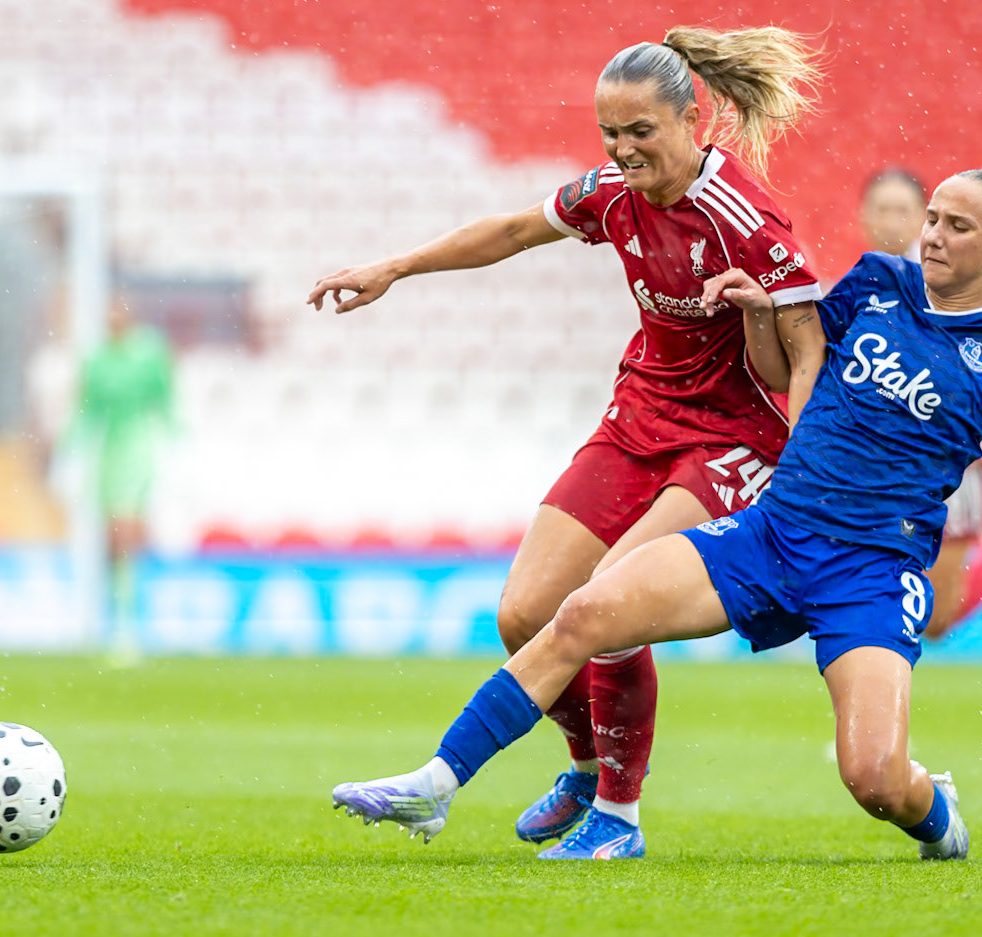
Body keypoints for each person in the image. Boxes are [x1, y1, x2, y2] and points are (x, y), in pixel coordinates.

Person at [329, 169, 982, 860]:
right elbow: (788, 363)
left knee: (871, 777)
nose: (934, 235)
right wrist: (762, 311)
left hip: (871, 570)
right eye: (932, 218)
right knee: (586, 610)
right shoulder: (876, 283)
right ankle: (436, 784)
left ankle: (935, 815)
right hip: (772, 531)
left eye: (958, 226)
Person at [308, 28, 825, 859]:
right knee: (522, 611)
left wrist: (802, 474)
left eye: (641, 133)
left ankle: (617, 819)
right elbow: (515, 230)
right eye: (610, 135)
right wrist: (396, 267)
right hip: (640, 416)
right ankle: (587, 768)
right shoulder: (610, 194)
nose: (623, 151)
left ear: (693, 120)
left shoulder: (747, 221)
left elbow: (807, 353)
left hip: (730, 436)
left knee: (612, 602)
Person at [859, 167, 982, 638]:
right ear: (865, 216)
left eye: (903, 210)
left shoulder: (944, 283)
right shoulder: (861, 284)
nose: (891, 220)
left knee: (934, 621)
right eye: (882, 209)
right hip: (881, 463)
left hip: (948, 465)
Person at [67, 295, 175, 665]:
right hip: (107, 453)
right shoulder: (95, 359)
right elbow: (85, 411)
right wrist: (69, 455)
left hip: (138, 447)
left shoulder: (149, 352)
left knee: (128, 532)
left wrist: (179, 446)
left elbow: (165, 401)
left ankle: (130, 627)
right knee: (112, 541)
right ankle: (117, 620)